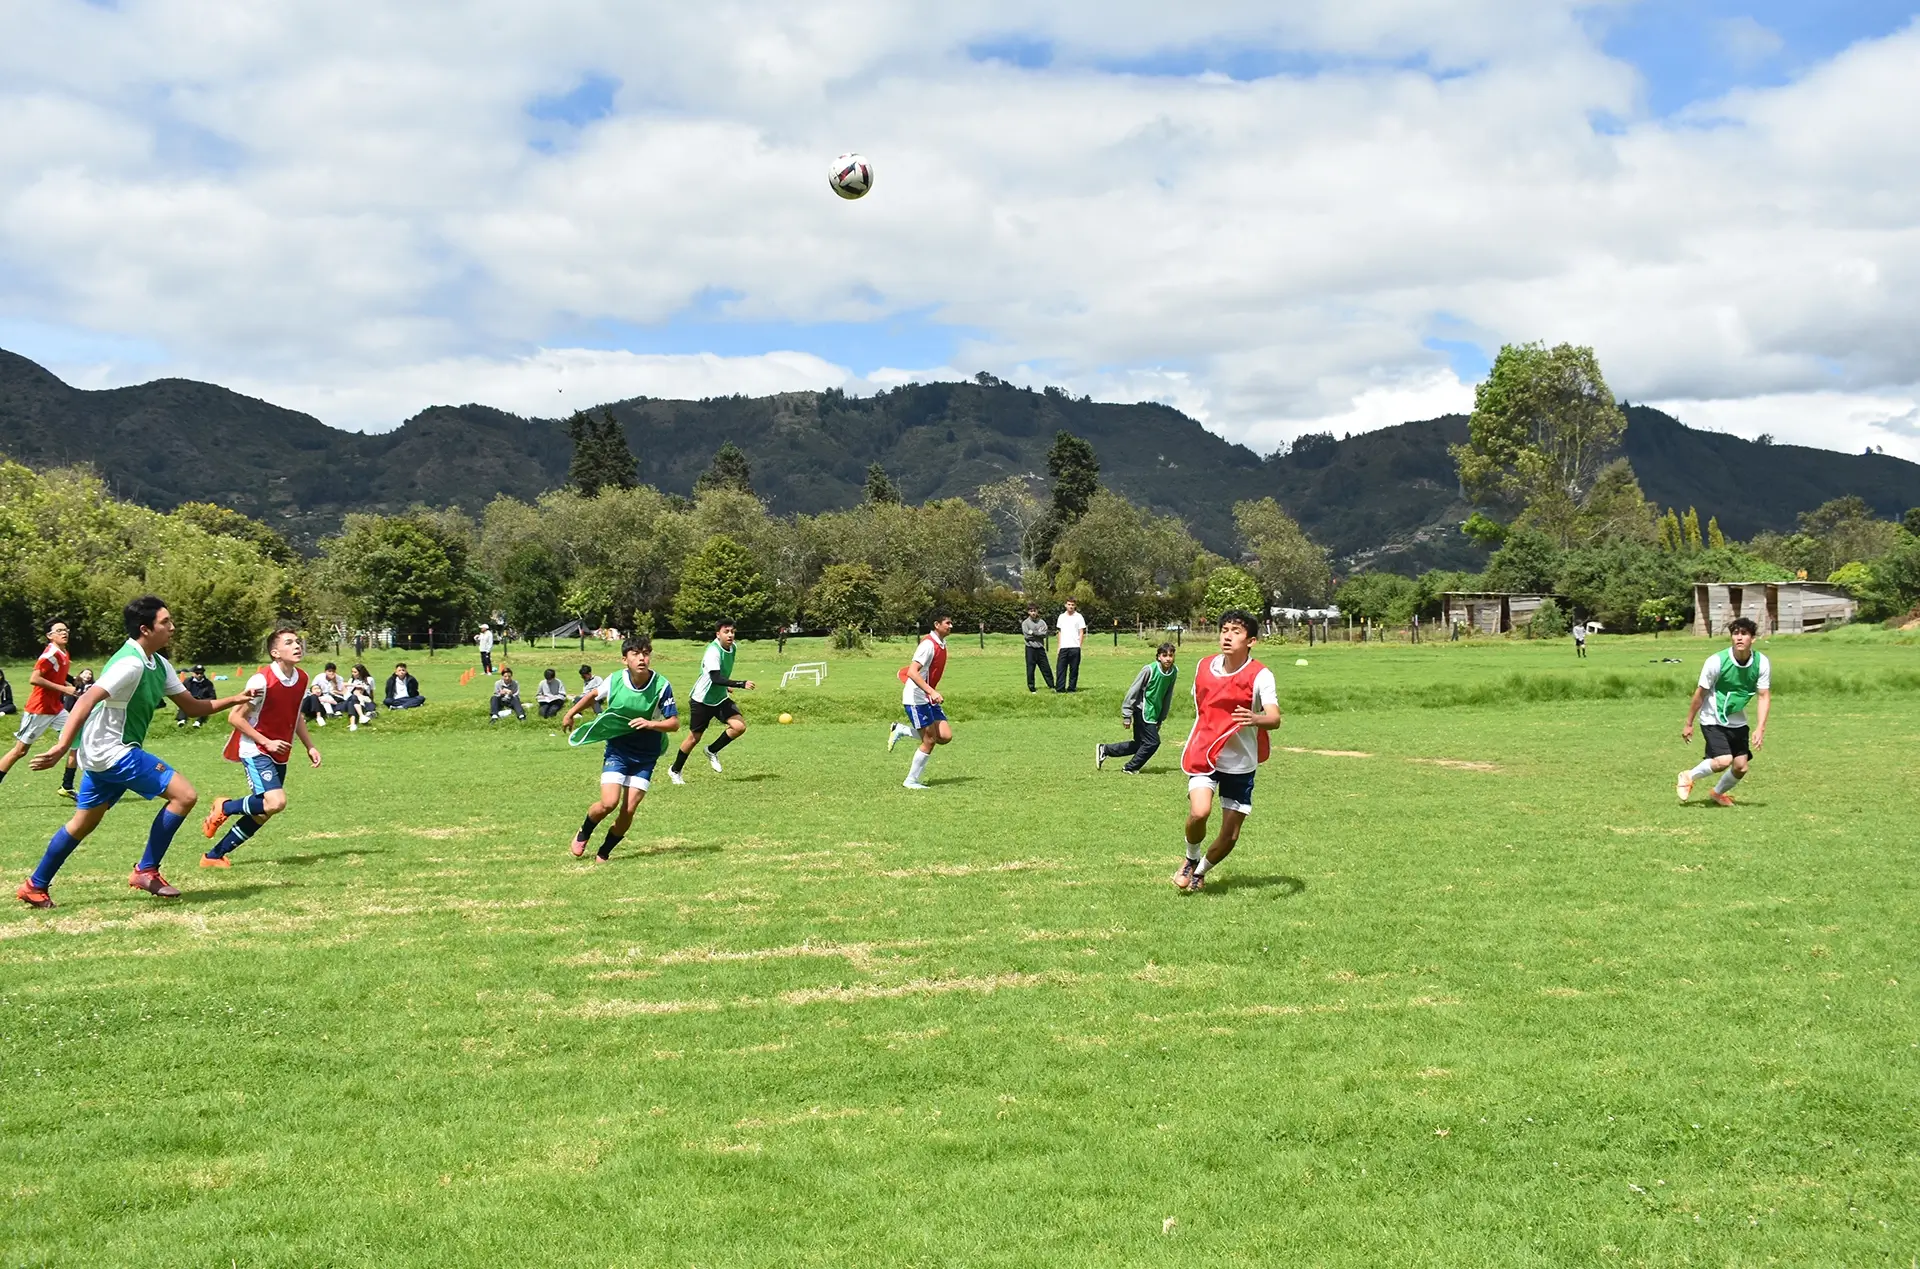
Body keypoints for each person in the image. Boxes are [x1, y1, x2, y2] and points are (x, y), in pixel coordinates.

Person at [16, 595, 257, 908]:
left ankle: (35, 885)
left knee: (82, 823)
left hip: (105, 752)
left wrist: (236, 699)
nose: (172, 627)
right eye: (165, 622)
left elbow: (193, 707)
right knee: (184, 795)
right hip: (111, 750)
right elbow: (87, 700)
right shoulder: (130, 663)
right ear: (145, 629)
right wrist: (62, 745)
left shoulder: (159, 663)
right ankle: (146, 870)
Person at [1172, 609, 1282, 894]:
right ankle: (1190, 858)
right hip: (1205, 753)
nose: (1227, 636)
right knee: (1199, 812)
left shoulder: (1261, 675)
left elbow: (1274, 718)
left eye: (1236, 631)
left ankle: (1200, 871)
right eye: (1224, 630)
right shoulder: (1204, 666)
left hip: (1241, 762)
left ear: (1251, 641)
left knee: (1230, 835)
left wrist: (1255, 718)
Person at [199, 626, 322, 867]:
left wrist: (310, 746)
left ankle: (213, 856)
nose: (297, 646)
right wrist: (265, 741)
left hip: (281, 751)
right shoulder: (262, 680)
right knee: (276, 802)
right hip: (256, 749)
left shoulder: (303, 678)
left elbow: (295, 715)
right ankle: (225, 806)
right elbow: (235, 718)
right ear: (275, 653)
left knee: (263, 811)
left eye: (297, 641)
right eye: (289, 642)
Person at [558, 635, 678, 861]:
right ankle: (584, 831)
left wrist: (651, 723)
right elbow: (592, 695)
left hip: (646, 755)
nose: (642, 658)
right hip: (619, 751)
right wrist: (569, 713)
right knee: (608, 803)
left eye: (645, 653)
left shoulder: (662, 685)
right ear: (625, 659)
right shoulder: (615, 680)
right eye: (635, 654)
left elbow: (674, 723)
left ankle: (604, 852)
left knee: (628, 810)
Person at [1677, 615, 1770, 807]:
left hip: (1738, 720)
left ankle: (1717, 793)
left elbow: (1763, 696)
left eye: (1744, 634)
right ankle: (1688, 776)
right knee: (1723, 760)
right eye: (1735, 633)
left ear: (1752, 639)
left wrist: (1760, 727)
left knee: (1741, 767)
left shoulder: (1761, 662)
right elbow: (1700, 694)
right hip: (1712, 718)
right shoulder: (1716, 661)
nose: (1739, 637)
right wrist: (1688, 723)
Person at [669, 619, 756, 784]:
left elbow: (721, 675)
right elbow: (715, 678)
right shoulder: (713, 651)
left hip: (720, 698)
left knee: (739, 727)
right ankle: (675, 770)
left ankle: (712, 750)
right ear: (718, 634)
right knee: (694, 738)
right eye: (726, 632)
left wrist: (726, 687)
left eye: (732, 631)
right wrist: (740, 684)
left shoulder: (733, 648)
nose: (730, 635)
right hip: (702, 700)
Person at [0, 620, 80, 793]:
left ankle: (67, 786)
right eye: (59, 631)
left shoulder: (63, 652)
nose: (64, 633)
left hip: (56, 708)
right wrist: (65, 689)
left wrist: (72, 684)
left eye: (66, 630)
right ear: (49, 636)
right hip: (39, 709)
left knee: (77, 738)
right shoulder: (49, 655)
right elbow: (34, 678)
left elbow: (57, 674)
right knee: (19, 751)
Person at [886, 611, 954, 791]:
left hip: (927, 697)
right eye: (947, 623)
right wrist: (931, 691)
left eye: (951, 623)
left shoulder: (942, 643)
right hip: (916, 698)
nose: (951, 626)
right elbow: (912, 672)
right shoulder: (927, 645)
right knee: (930, 740)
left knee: (945, 736)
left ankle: (901, 729)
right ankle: (910, 780)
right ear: (936, 624)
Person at [1097, 642, 1178, 774]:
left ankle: (1105, 750)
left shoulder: (1173, 672)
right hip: (1142, 710)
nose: (1168, 658)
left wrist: (1161, 717)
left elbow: (1167, 695)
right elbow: (1133, 691)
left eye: (1171, 655)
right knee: (1153, 742)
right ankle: (1130, 767)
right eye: (1164, 655)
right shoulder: (1149, 670)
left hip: (1154, 713)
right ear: (1158, 657)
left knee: (1140, 744)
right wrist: (1127, 714)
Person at [1020, 603, 1055, 692]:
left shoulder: (1042, 622)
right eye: (1031, 611)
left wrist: (1033, 633)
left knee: (1046, 668)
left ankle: (1052, 686)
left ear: (1037, 611)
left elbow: (1044, 634)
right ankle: (1032, 688)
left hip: (1040, 648)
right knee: (1030, 669)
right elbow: (1027, 636)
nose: (1033, 613)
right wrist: (1037, 634)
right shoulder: (1025, 623)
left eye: (1034, 611)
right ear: (1028, 612)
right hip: (1030, 649)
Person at [1054, 597, 1087, 693]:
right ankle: (1060, 688)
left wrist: (1079, 646)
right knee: (1060, 668)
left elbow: (1081, 632)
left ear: (1075, 606)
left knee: (1074, 669)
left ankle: (1072, 688)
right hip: (1064, 647)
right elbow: (1059, 632)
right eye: (1069, 604)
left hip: (1075, 647)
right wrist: (1059, 646)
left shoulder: (1079, 617)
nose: (1070, 606)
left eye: (1072, 605)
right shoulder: (1061, 617)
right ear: (1065, 605)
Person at [345, 664, 377, 728]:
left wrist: (372, 701)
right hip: (352, 698)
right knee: (353, 698)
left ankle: (353, 724)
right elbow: (344, 686)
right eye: (352, 672)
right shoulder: (352, 680)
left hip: (363, 698)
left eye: (355, 672)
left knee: (352, 702)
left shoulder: (369, 679)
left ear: (360, 672)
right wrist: (355, 685)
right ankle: (362, 716)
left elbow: (371, 691)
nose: (353, 674)